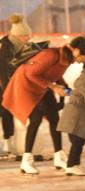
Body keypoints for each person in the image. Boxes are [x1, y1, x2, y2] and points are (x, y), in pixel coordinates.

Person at [2, 36, 85, 174]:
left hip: (42, 87)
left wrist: (65, 87)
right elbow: (30, 73)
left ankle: (59, 156)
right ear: (77, 51)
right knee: (36, 119)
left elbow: (56, 74)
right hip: (27, 86)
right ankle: (26, 160)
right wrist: (55, 88)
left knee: (55, 119)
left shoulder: (66, 59)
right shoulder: (50, 54)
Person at [0, 13, 32, 154]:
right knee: (5, 112)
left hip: (16, 84)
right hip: (4, 84)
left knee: (13, 112)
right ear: (18, 36)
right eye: (25, 36)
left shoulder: (23, 47)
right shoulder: (4, 46)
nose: (28, 38)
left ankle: (14, 140)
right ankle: (7, 140)